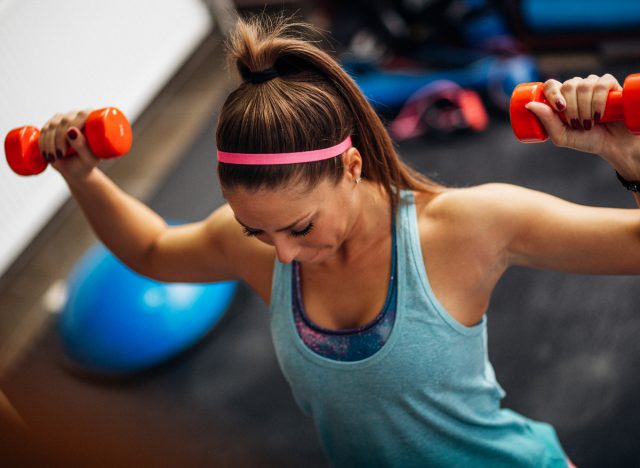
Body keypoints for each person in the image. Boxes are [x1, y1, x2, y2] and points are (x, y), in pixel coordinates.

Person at [36, 14, 640, 468]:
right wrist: (80, 174)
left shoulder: (466, 227)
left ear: (351, 167)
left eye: (300, 226)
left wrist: (629, 160)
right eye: (258, 231)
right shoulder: (261, 246)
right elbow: (150, 253)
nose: (282, 256)